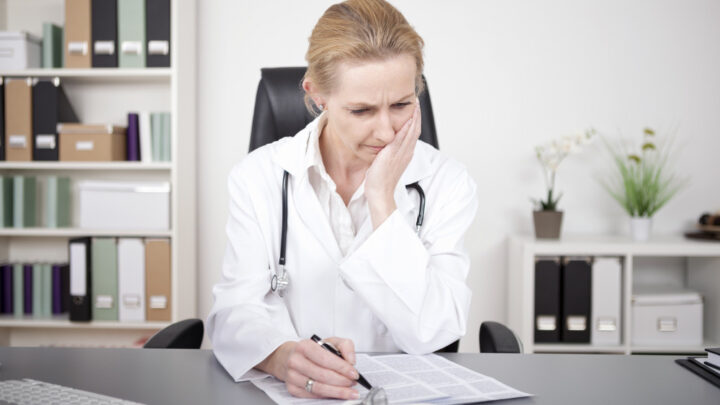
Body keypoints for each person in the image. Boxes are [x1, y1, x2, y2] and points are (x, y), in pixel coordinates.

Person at [207, 0, 478, 400]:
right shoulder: (258, 176)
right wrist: (283, 358)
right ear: (316, 95)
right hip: (292, 396)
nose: (386, 131)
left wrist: (382, 198)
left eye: (402, 105)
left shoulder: (447, 183)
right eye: (361, 110)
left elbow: (436, 329)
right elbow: (233, 312)